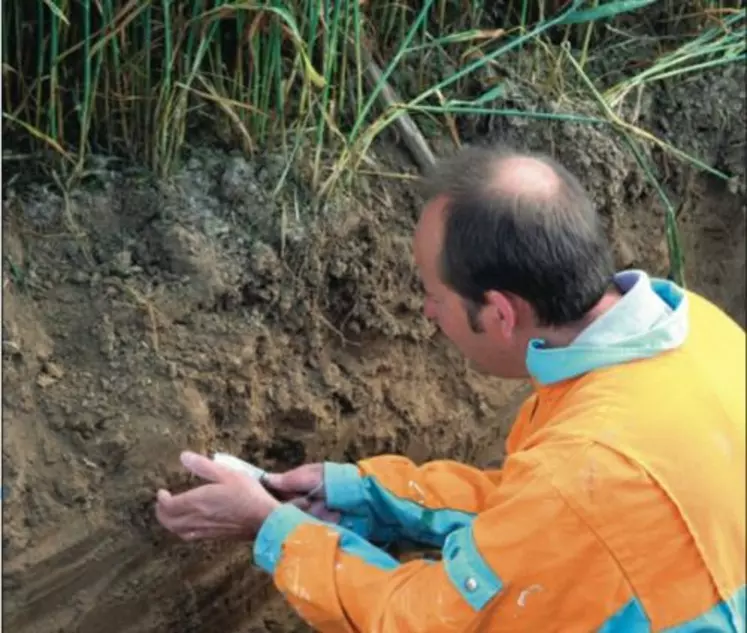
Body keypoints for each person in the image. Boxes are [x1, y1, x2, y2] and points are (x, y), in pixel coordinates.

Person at [155, 145, 746, 632]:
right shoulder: (691, 329)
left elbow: (421, 619)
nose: (427, 312)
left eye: (434, 296)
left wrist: (273, 530)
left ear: (499, 313)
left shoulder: (583, 475)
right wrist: (362, 495)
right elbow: (537, 511)